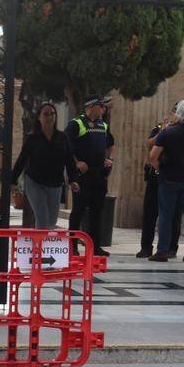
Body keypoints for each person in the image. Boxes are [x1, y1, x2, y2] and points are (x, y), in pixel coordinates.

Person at [11, 102, 76, 229]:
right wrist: (13, 181)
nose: (50, 117)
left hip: (55, 184)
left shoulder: (62, 137)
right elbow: (21, 160)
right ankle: (39, 248)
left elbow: (69, 160)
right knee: (42, 218)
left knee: (51, 221)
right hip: (35, 182)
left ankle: (42, 245)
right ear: (39, 118)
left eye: (52, 114)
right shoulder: (33, 138)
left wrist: (73, 180)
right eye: (46, 114)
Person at [66, 95, 115, 257]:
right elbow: (67, 146)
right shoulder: (76, 124)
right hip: (82, 175)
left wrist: (109, 158)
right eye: (101, 106)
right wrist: (77, 162)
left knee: (97, 210)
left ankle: (95, 246)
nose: (103, 109)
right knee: (78, 210)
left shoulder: (103, 125)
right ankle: (72, 246)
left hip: (99, 174)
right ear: (91, 106)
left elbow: (110, 143)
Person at [148, 100, 184, 262]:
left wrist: (158, 169)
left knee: (166, 215)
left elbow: (153, 156)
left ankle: (162, 251)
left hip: (168, 178)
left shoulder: (168, 132)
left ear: (179, 113)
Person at [138, 109, 179, 258]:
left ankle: (171, 247)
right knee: (150, 212)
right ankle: (146, 247)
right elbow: (149, 144)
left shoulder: (181, 131)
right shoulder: (161, 128)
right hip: (155, 176)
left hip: (171, 177)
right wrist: (163, 131)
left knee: (173, 214)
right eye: (173, 112)